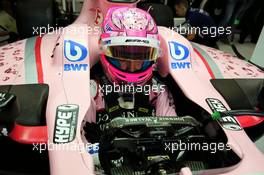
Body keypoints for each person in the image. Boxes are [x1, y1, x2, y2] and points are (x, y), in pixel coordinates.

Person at [83, 7, 177, 144]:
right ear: (105, 51)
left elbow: (173, 139)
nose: (132, 68)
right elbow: (78, 149)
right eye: (123, 57)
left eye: (141, 58)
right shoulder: (91, 91)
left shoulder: (158, 91)